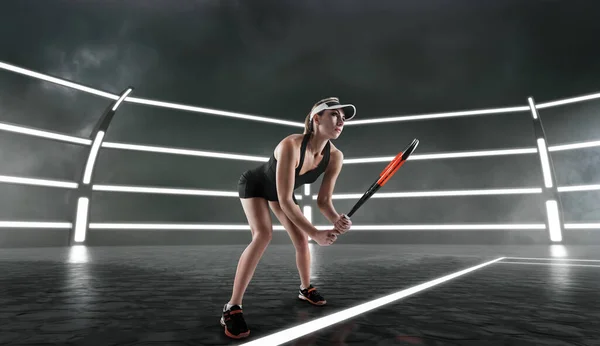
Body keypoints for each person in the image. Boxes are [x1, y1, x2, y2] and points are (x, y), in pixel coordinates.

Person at [220, 97, 356, 339]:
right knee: (263, 235)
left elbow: (323, 201)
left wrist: (337, 219)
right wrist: (316, 232)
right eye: (334, 115)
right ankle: (232, 307)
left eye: (343, 118)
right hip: (255, 185)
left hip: (279, 192)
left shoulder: (335, 156)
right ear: (316, 118)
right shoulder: (290, 146)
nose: (340, 121)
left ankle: (305, 289)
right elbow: (285, 200)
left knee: (302, 241)